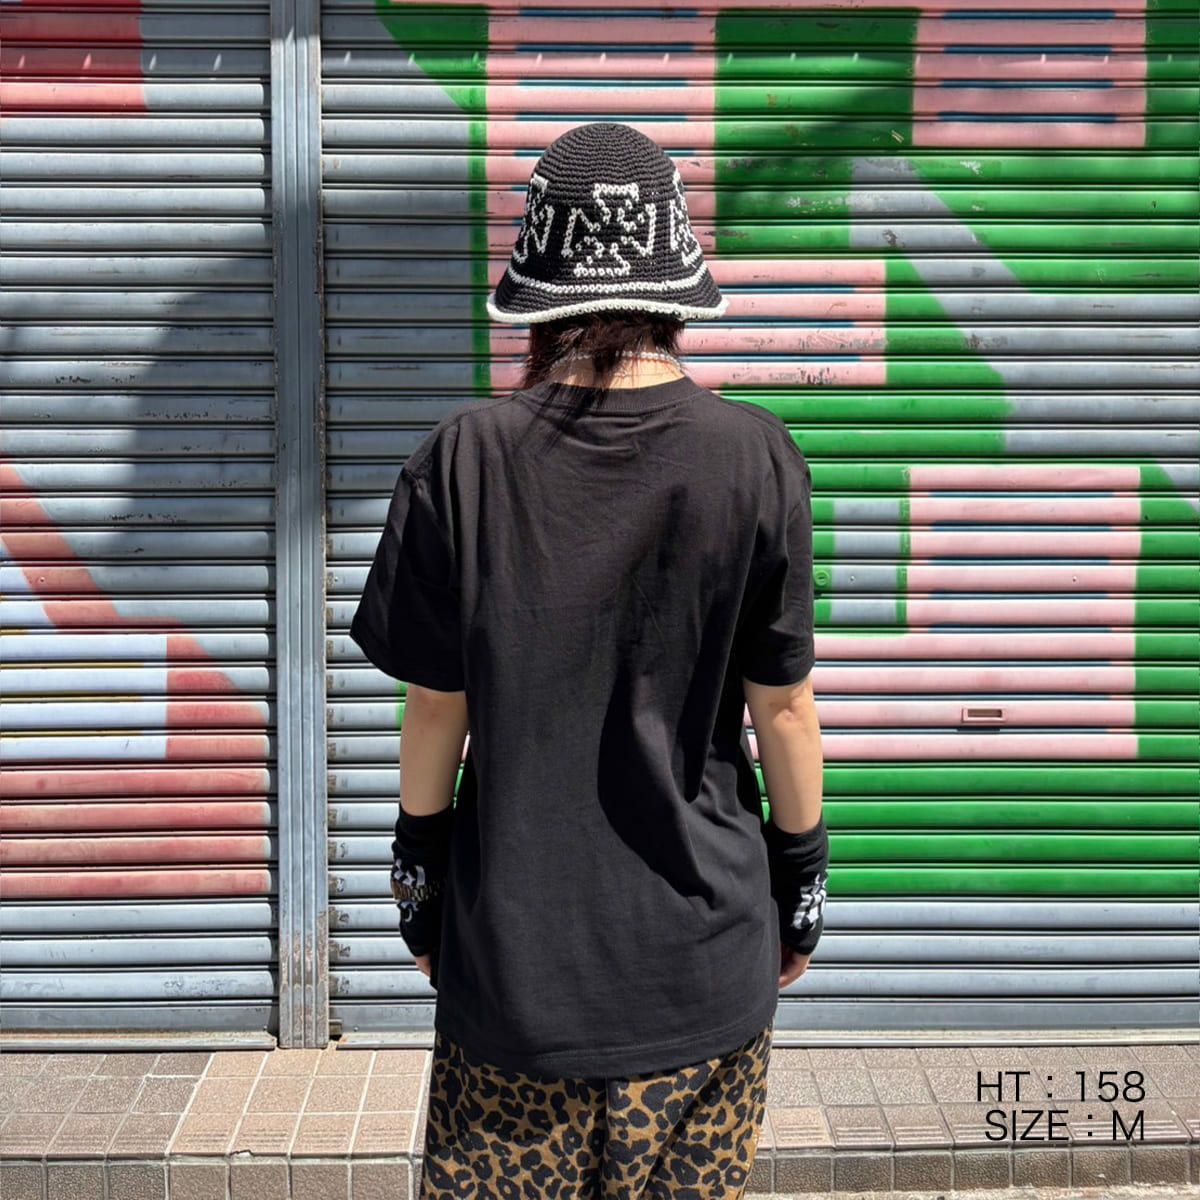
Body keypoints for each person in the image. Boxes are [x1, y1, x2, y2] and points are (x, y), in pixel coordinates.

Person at [349, 121, 828, 1200]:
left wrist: (418, 886)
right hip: (706, 966)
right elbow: (785, 713)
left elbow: (435, 711)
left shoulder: (461, 460)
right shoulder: (756, 457)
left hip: (516, 983)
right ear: (675, 289)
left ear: (539, 293)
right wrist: (801, 887)